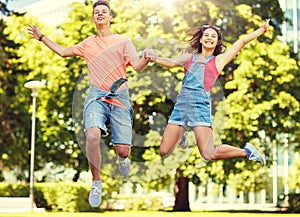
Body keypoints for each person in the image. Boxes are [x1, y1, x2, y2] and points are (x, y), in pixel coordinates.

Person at [27, 0, 155, 207]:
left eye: (104, 11)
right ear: (93, 18)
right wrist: (41, 37)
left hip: (120, 96)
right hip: (96, 95)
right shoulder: (87, 43)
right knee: (92, 135)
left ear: (111, 17)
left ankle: (123, 158)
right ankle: (96, 182)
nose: (100, 14)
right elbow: (62, 51)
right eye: (97, 12)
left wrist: (147, 58)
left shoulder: (123, 41)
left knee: (123, 150)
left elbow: (138, 67)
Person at [151, 19, 270, 166]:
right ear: (200, 39)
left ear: (217, 42)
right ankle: (183, 131)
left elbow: (242, 41)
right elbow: (172, 62)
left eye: (213, 36)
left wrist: (261, 30)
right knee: (164, 150)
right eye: (206, 35)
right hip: (181, 107)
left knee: (208, 154)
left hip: (200, 106)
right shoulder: (190, 57)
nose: (209, 38)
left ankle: (247, 152)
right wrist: (154, 59)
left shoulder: (219, 60)